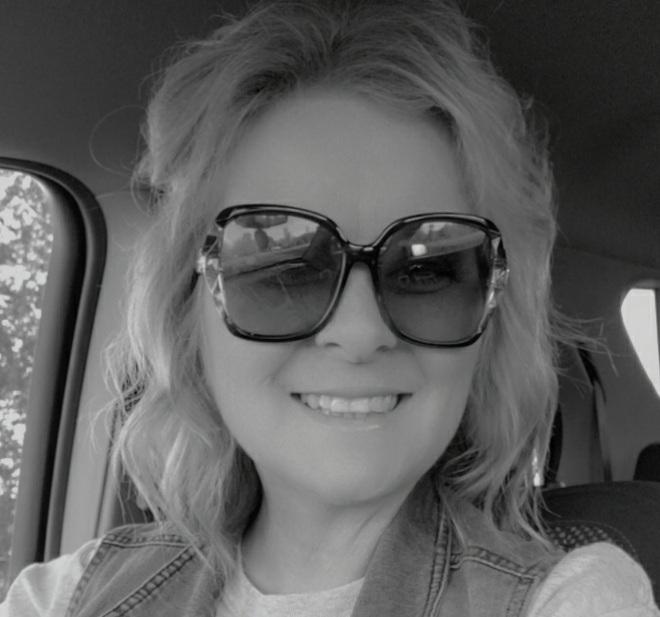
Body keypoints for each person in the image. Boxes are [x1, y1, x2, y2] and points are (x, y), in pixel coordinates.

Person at [2, 0, 658, 615]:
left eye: (427, 270)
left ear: (490, 318)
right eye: (285, 266)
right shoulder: (63, 596)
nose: (360, 331)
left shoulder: (574, 598)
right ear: (188, 310)